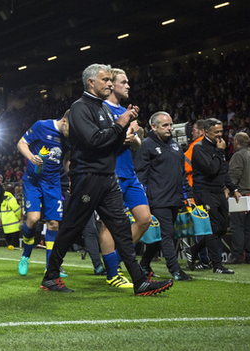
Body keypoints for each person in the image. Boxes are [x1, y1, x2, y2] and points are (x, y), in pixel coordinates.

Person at [41, 64, 173, 296]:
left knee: (121, 229)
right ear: (91, 82)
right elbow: (93, 140)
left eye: (111, 80)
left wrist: (125, 129)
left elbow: (110, 141)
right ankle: (51, 277)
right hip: (88, 176)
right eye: (105, 80)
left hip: (107, 176)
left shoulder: (101, 108)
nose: (110, 84)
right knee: (72, 228)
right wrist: (120, 124)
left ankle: (139, 281)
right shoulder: (79, 108)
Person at [101, 68, 153, 279]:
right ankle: (113, 273)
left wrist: (134, 138)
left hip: (129, 173)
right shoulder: (101, 109)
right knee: (108, 224)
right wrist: (122, 137)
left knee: (145, 219)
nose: (128, 85)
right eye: (124, 82)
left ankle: (118, 257)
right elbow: (100, 141)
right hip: (110, 173)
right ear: (112, 85)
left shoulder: (125, 111)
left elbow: (137, 145)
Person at [134, 111, 193, 281]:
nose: (170, 128)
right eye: (165, 125)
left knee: (161, 236)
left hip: (175, 197)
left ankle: (144, 264)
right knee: (168, 235)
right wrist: (140, 198)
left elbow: (182, 173)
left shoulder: (175, 146)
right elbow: (141, 174)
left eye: (170, 124)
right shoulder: (146, 145)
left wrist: (188, 192)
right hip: (158, 199)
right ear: (153, 127)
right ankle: (175, 270)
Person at [16, 111, 71, 277]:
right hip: (33, 180)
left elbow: (66, 159)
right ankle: (25, 256)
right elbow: (21, 143)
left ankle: (50, 268)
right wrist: (32, 157)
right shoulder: (42, 125)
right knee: (33, 219)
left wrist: (70, 178)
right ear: (64, 120)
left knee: (54, 224)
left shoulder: (69, 138)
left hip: (53, 184)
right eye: (72, 128)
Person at [187, 118, 241, 274]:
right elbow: (211, 169)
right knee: (211, 228)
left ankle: (193, 250)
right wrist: (220, 151)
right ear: (206, 131)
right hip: (204, 191)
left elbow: (222, 171)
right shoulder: (199, 148)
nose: (219, 134)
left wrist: (233, 188)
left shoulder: (218, 147)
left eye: (221, 131)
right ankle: (217, 265)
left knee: (222, 229)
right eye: (216, 132)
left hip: (218, 191)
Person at [227, 132, 250, 264]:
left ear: (236, 142)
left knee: (237, 226)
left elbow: (234, 176)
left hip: (240, 196)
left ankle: (237, 255)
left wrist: (230, 189)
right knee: (249, 227)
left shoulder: (238, 155)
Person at [0, 183, 21, 248]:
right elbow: (17, 211)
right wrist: (19, 218)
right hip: (14, 227)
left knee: (9, 247)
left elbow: (1, 212)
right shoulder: (12, 199)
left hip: (6, 228)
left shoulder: (3, 199)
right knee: (15, 247)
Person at [185, 120, 205, 187]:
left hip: (195, 186)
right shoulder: (211, 144)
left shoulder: (195, 146)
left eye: (194, 130)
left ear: (202, 131)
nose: (192, 133)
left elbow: (183, 167)